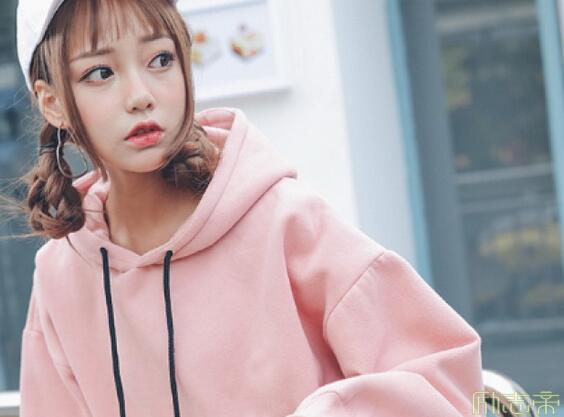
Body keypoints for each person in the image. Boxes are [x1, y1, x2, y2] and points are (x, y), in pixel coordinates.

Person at [12, 0, 485, 416]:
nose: (140, 96)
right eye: (101, 73)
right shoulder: (60, 276)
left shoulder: (284, 222)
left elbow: (447, 376)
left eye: (160, 59)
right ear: (52, 103)